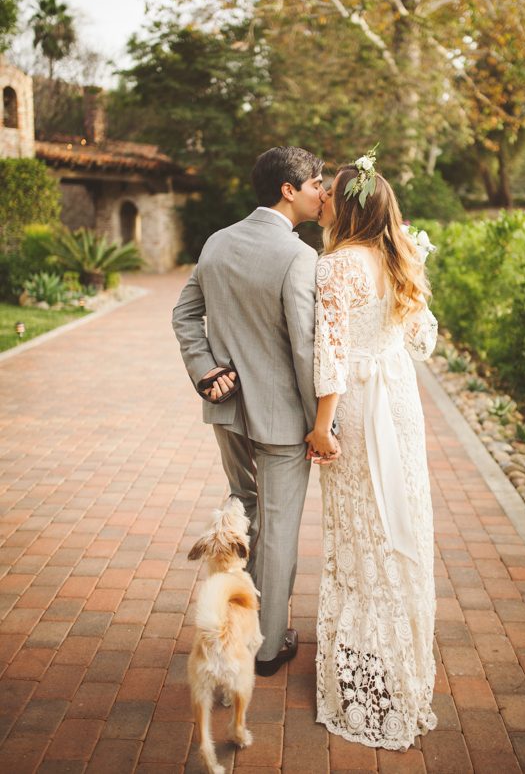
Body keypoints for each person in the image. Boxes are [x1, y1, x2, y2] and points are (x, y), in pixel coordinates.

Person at [172, 146, 340, 677]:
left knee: (245, 510)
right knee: (278, 528)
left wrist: (205, 371)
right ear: (288, 190)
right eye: (316, 183)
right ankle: (264, 650)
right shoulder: (298, 258)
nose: (322, 192)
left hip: (227, 413)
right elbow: (304, 349)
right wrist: (321, 423)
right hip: (283, 421)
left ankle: (232, 628)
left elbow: (184, 314)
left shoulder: (217, 242)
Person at [306, 152, 439, 750]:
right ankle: (397, 649)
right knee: (396, 517)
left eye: (331, 195)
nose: (324, 201)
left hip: (359, 404)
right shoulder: (397, 258)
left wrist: (321, 427)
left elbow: (329, 356)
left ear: (350, 206)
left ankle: (367, 661)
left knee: (361, 527)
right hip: (400, 400)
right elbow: (424, 339)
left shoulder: (335, 267)